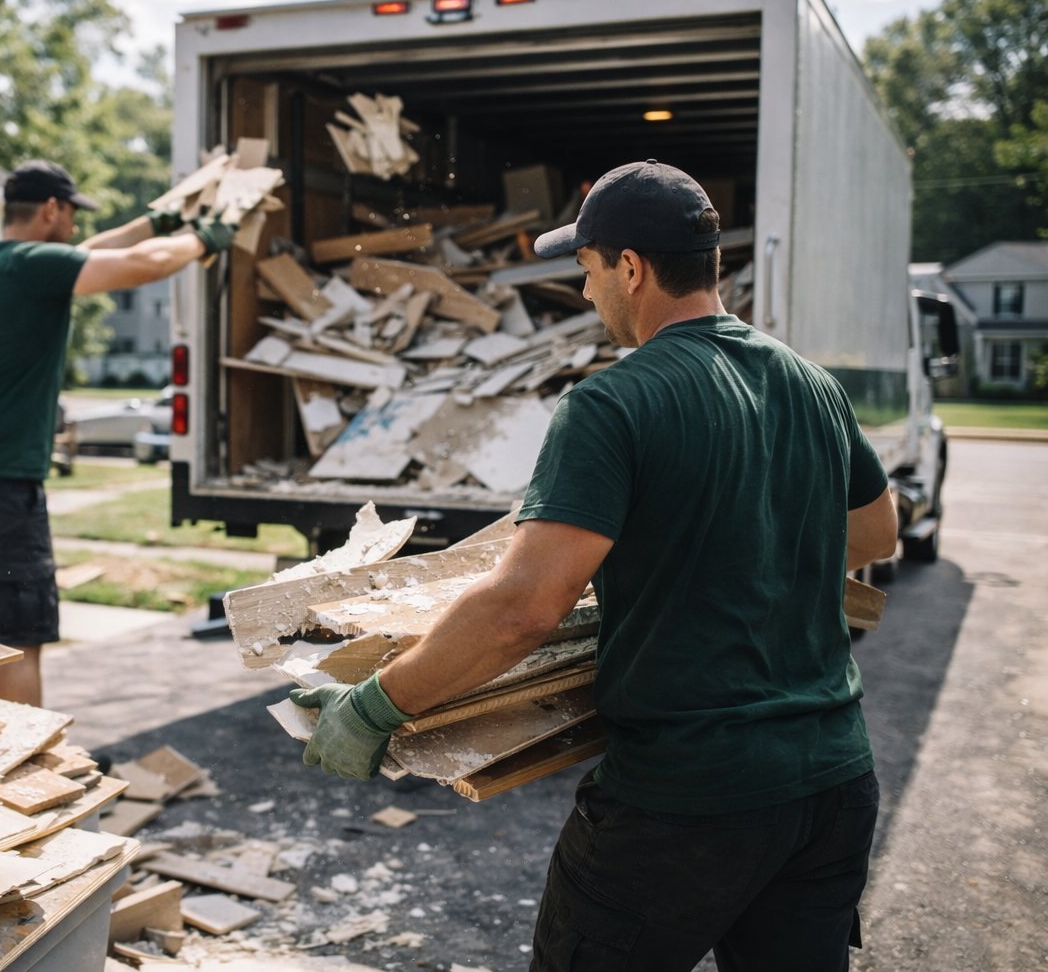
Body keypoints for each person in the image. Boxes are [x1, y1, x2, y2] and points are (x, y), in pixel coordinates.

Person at [291, 160, 900, 971]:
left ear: (631, 269)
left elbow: (522, 609)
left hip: (686, 801)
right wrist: (745, 550)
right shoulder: (811, 384)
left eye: (585, 270)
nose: (585, 295)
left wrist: (375, 707)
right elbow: (875, 535)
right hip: (833, 784)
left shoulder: (614, 403)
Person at [0, 160, 233, 707]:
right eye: (69, 216)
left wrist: (159, 219)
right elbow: (140, 264)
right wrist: (204, 238)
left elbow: (99, 248)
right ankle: (23, 768)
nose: (73, 228)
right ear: (50, 209)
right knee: (20, 638)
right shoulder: (34, 266)